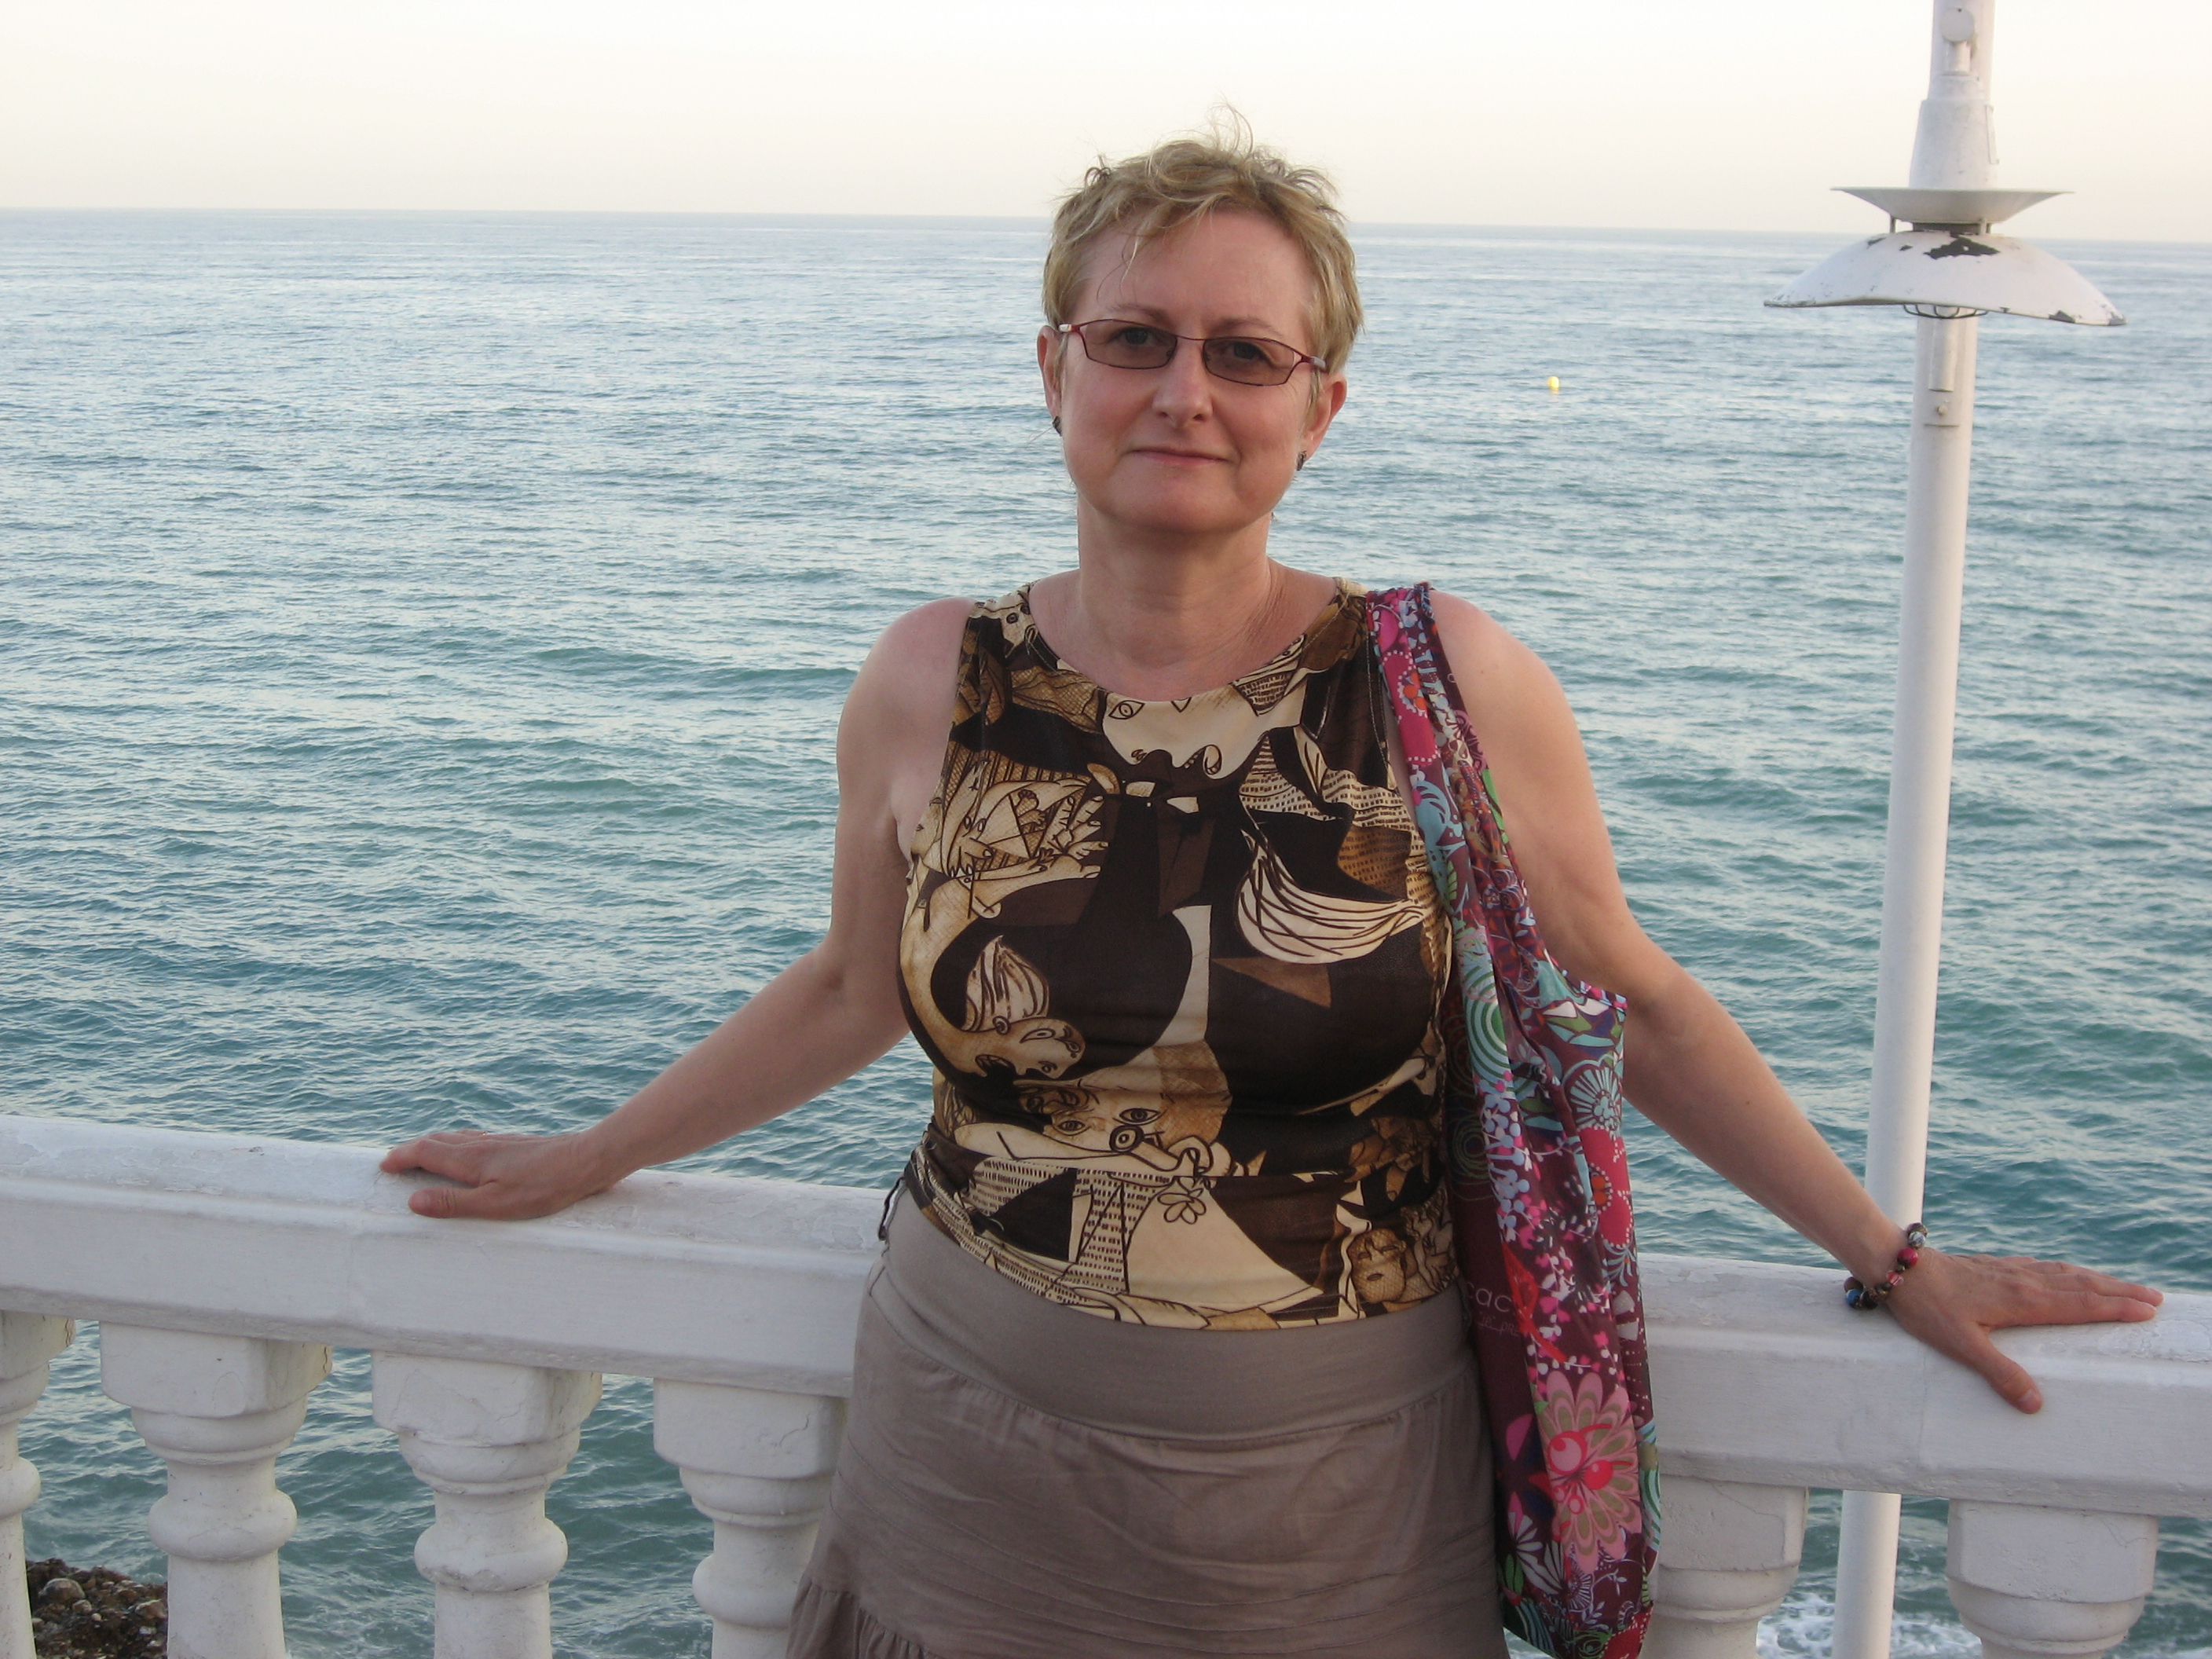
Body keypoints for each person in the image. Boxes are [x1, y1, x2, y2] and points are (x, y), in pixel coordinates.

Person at [383, 130, 2163, 1659]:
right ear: (1053, 369)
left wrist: (1889, 1256)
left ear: (1320, 409)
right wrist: (589, 1155)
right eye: (1134, 337)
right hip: (962, 1442)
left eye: (1244, 353)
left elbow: (1634, 1005)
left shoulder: (1441, 681)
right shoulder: (932, 678)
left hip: (1332, 1493)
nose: (1184, 391)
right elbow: (852, 988)